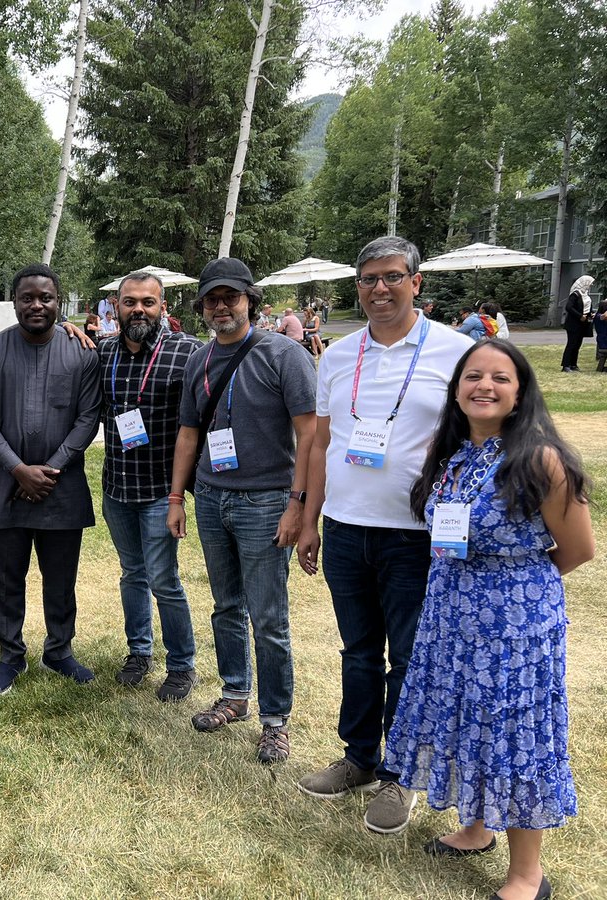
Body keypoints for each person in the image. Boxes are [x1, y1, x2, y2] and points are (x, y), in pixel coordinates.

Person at [386, 339, 593, 900]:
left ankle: (528, 874)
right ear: (456, 390)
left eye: (500, 378)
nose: (485, 387)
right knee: (464, 720)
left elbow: (577, 549)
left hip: (514, 626)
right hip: (450, 614)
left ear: (520, 391)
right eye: (473, 376)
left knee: (514, 733)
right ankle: (476, 830)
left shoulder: (541, 458)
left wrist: (513, 586)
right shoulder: (451, 454)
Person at [295, 235, 474, 836]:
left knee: (410, 660)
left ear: (416, 283)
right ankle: (359, 758)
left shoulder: (456, 351)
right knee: (359, 653)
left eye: (392, 277)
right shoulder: (338, 355)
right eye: (368, 279)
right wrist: (309, 516)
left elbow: (484, 439)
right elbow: (320, 442)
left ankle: (402, 775)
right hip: (347, 529)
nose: (379, 289)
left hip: (416, 536)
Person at [167, 258, 316, 763]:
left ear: (250, 300)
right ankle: (235, 695)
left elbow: (310, 435)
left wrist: (298, 505)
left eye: (231, 296)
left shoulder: (284, 354)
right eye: (212, 298)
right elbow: (189, 433)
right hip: (210, 499)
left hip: (266, 502)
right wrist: (176, 498)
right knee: (226, 605)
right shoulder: (199, 359)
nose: (221, 306)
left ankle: (276, 719)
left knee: (268, 616)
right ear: (202, 307)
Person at [0, 263, 102, 695]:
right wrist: (18, 469)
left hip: (61, 489)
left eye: (45, 297)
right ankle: (10, 656)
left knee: (60, 577)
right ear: (14, 302)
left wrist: (53, 467)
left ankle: (59, 651)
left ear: (58, 302)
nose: (36, 304)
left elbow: (88, 417)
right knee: (6, 579)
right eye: (27, 297)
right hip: (5, 488)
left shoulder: (81, 352)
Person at [98, 271, 202, 702]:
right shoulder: (102, 352)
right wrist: (68, 328)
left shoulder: (188, 352)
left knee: (163, 578)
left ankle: (181, 664)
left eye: (148, 302)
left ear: (163, 307)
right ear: (115, 307)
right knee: (132, 574)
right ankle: (139, 652)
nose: (138, 309)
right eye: (129, 302)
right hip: (117, 486)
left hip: (162, 489)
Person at [560, 275, 593, 372]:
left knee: (578, 344)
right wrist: (579, 316)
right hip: (573, 323)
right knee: (571, 344)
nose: (590, 286)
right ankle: (565, 365)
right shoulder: (575, 294)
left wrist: (590, 314)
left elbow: (587, 307)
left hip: (583, 324)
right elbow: (569, 307)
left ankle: (573, 364)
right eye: (589, 284)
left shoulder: (586, 295)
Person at [595, 299, 607, 372]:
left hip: (602, 341)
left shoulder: (597, 316)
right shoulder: (599, 317)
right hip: (604, 342)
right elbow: (603, 316)